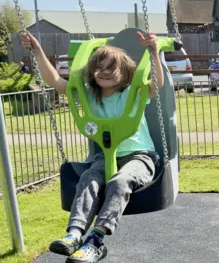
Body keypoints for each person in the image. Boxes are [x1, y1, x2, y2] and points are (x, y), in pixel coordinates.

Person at [20, 30, 164, 263]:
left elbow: (156, 85)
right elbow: (56, 81)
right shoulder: (89, 95)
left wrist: (153, 52)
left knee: (119, 181)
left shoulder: (132, 93)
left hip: (139, 157)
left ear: (125, 70)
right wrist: (37, 50)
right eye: (99, 67)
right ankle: (74, 234)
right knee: (88, 179)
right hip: (105, 157)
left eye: (111, 67)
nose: (104, 72)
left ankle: (95, 240)